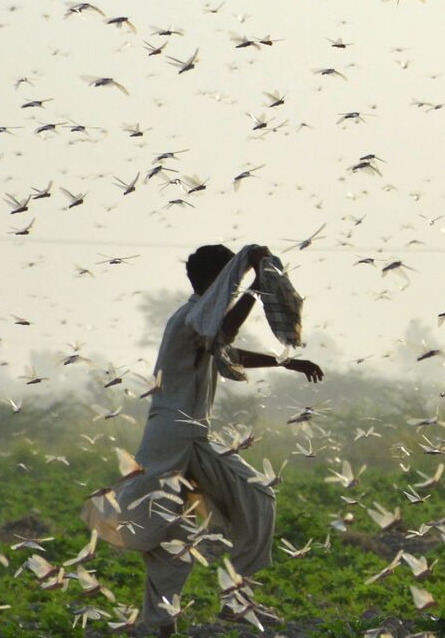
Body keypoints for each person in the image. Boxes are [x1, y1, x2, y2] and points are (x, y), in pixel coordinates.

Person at [112, 243, 324, 636]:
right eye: (232, 280)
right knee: (251, 498)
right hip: (179, 437)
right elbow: (224, 335)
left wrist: (287, 362)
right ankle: (229, 600)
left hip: (179, 436)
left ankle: (190, 616)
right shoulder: (191, 320)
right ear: (218, 281)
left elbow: (226, 351)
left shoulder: (194, 321)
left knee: (174, 535)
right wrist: (257, 288)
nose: (234, 287)